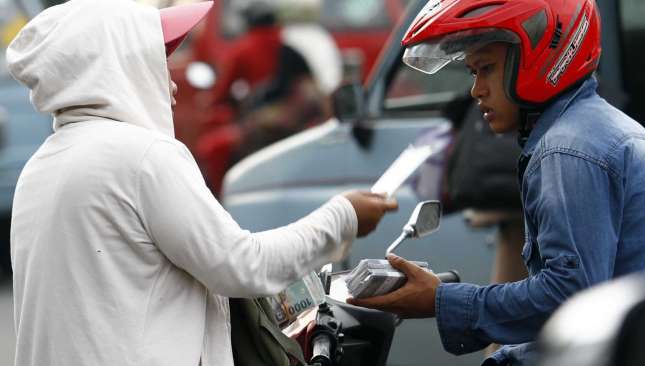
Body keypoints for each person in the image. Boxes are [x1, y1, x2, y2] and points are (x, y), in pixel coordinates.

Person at [6, 1, 397, 365]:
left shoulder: (40, 167)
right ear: (119, 67)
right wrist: (344, 216)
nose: (173, 87)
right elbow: (244, 265)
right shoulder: (142, 156)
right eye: (158, 62)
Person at [348, 0, 645, 365]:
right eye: (473, 72)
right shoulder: (600, 129)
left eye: (487, 69)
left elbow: (570, 300)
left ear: (540, 58)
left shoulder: (564, 151)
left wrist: (439, 300)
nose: (476, 90)